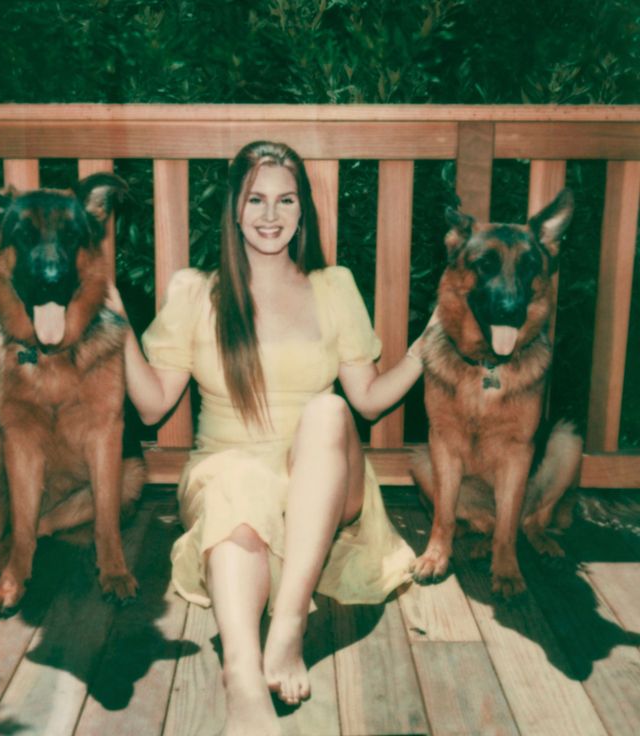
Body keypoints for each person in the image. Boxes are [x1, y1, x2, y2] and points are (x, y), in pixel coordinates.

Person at [107, 141, 431, 736]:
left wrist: (423, 350)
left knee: (330, 412)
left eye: (285, 200)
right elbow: (152, 406)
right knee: (236, 483)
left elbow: (367, 400)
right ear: (234, 208)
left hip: (325, 483)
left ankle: (286, 628)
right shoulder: (194, 291)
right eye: (256, 199)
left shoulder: (334, 286)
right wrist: (117, 320)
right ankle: (243, 680)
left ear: (302, 211)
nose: (270, 214)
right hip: (226, 476)